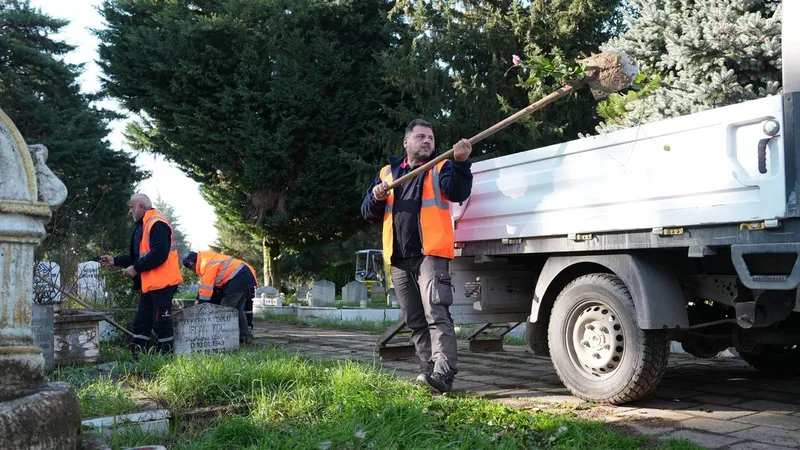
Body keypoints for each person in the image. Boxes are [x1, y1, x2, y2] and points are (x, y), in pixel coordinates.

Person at [361, 118, 473, 393]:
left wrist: (461, 163)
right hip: (398, 259)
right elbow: (367, 212)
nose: (427, 142)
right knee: (415, 321)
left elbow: (458, 192)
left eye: (431, 138)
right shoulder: (388, 173)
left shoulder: (442, 165)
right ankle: (428, 373)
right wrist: (376, 197)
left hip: (430, 255)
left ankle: (444, 374)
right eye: (421, 137)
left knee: (436, 314)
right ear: (406, 142)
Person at [100, 193, 183, 355]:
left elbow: (159, 254)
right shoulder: (144, 225)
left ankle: (166, 360)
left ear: (141, 207)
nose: (130, 211)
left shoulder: (157, 223)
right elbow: (138, 256)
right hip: (151, 284)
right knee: (141, 322)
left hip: (163, 283)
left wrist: (135, 268)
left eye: (131, 207)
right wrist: (115, 260)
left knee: (161, 323)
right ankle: (138, 358)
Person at [181, 250, 257, 344]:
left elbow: (206, 290)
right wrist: (198, 299)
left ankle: (224, 339)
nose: (192, 270)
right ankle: (245, 336)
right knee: (236, 308)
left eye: (191, 268)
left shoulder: (206, 264)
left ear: (192, 263)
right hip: (245, 274)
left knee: (224, 310)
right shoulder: (207, 259)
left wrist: (199, 304)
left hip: (238, 277)